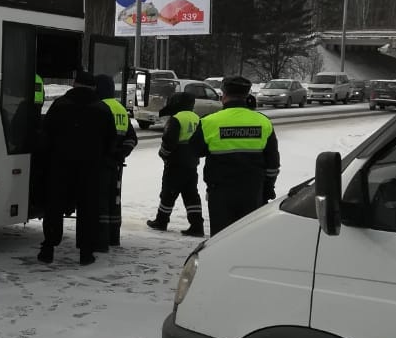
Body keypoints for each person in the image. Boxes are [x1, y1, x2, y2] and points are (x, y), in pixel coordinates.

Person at [38, 68, 117, 266]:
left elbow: (45, 135)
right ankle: (85, 253)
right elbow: (111, 141)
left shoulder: (60, 105)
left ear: (75, 84)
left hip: (60, 165)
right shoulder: (101, 109)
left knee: (54, 207)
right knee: (88, 209)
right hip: (90, 168)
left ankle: (48, 248)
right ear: (93, 87)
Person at [192, 75, 280, 234]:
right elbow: (273, 163)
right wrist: (267, 188)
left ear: (223, 95)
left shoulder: (209, 122)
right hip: (253, 191)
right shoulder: (262, 121)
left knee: (221, 239)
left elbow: (194, 151)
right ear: (247, 96)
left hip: (220, 192)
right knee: (247, 238)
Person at [146, 91, 205, 236]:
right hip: (192, 163)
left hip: (176, 162)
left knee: (168, 192)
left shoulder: (176, 118)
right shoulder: (197, 118)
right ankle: (197, 226)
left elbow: (169, 141)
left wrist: (163, 154)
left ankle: (161, 221)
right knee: (191, 195)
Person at [94, 73, 137, 248]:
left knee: (100, 202)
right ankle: (113, 237)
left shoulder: (100, 107)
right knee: (114, 201)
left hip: (100, 163)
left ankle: (101, 240)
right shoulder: (120, 108)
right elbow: (131, 138)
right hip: (116, 164)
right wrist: (121, 154)